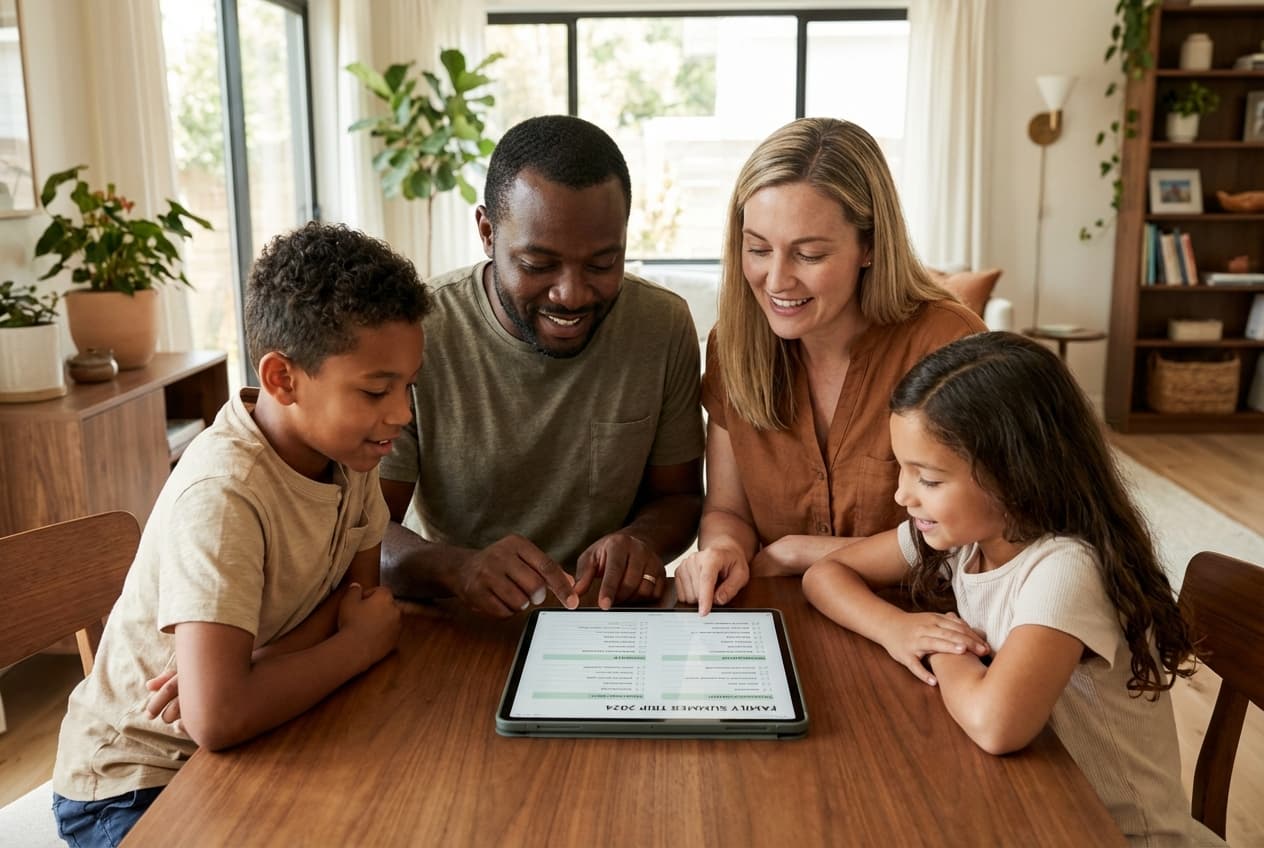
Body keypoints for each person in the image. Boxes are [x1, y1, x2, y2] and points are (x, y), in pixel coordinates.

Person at [51, 222, 432, 847]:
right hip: (134, 781)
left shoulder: (353, 451)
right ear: (282, 378)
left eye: (407, 385)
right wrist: (352, 648)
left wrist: (259, 666)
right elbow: (219, 718)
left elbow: (356, 607)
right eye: (375, 389)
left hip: (256, 729)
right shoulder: (225, 494)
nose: (401, 414)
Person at [802, 332, 1223, 847]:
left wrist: (943, 647)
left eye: (929, 479)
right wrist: (898, 629)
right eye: (903, 470)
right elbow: (824, 575)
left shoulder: (1066, 568)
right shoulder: (961, 537)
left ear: (1014, 475)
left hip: (1121, 834)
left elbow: (996, 726)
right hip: (1038, 810)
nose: (902, 494)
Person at [379, 115, 705, 617]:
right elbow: (362, 533)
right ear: (487, 232)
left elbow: (681, 499)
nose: (571, 294)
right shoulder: (419, 332)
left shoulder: (662, 326)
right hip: (461, 622)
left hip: (608, 618)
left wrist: (638, 540)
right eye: (537, 265)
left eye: (601, 264)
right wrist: (456, 568)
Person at [673, 117, 985, 615]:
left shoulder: (949, 344)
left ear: (870, 247)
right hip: (783, 611)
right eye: (757, 249)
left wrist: (803, 552)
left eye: (809, 254)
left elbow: (980, 534)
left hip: (924, 623)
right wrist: (725, 548)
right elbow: (728, 510)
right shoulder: (732, 346)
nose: (776, 280)